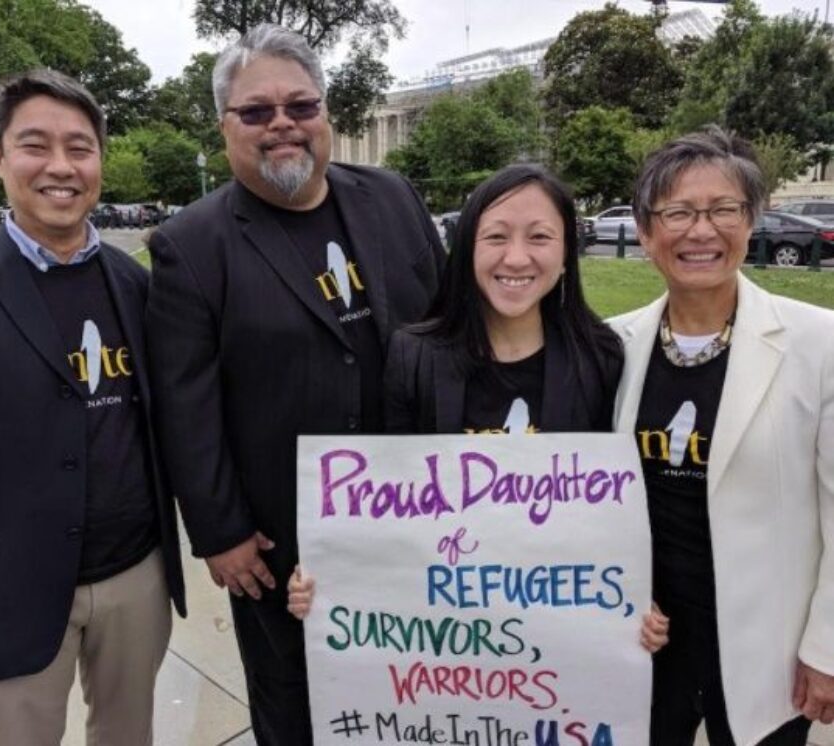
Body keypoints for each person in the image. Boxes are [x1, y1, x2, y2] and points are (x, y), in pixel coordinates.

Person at [145, 23, 444, 745]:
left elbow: (450, 330)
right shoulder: (191, 244)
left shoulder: (392, 197)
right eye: (256, 112)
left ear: (326, 115)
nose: (282, 123)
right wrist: (220, 532)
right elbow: (186, 402)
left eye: (301, 106)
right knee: (295, 707)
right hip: (280, 542)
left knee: (421, 691)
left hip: (420, 522)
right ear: (227, 128)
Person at [0, 68, 186, 746]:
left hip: (136, 575)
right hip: (8, 590)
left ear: (100, 160)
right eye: (35, 145)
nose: (61, 167)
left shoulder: (136, 286)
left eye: (80, 147)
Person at [288, 164, 669, 652]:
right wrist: (333, 579)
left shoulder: (603, 357)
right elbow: (380, 505)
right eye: (495, 236)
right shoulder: (412, 354)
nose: (516, 257)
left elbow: (614, 515)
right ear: (467, 246)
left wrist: (634, 598)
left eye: (539, 237)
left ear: (566, 252)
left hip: (557, 636)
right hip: (445, 637)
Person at [610, 126, 834, 745]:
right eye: (678, 212)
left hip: (770, 646)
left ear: (751, 220)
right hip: (644, 638)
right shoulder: (613, 345)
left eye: (723, 210)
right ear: (647, 231)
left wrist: (827, 647)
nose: (701, 231)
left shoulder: (818, 344)